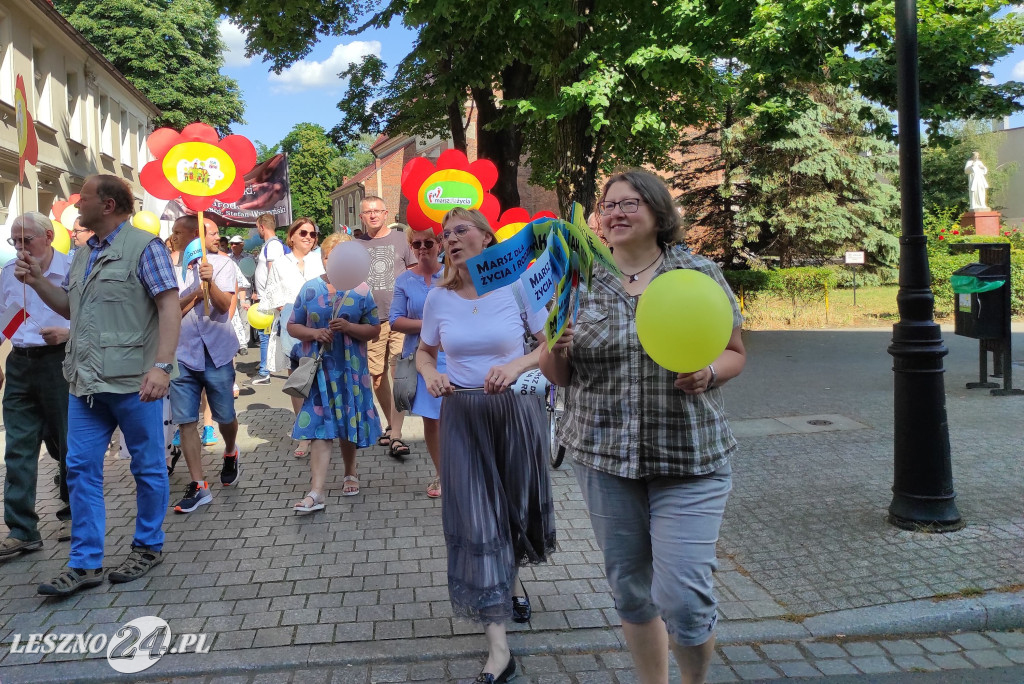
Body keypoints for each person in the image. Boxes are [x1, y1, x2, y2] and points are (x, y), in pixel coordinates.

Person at [539, 170, 746, 684]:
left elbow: (735, 352)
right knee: (631, 588)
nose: (615, 213)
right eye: (607, 206)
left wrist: (709, 372)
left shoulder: (696, 272)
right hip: (605, 458)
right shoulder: (576, 281)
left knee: (684, 598)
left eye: (629, 203)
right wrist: (551, 352)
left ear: (658, 212)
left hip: (689, 458)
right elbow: (560, 377)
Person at [16, 174, 180, 596]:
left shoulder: (145, 248)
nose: (77, 205)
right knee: (79, 469)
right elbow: (72, 307)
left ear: (107, 205)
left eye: (85, 198)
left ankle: (148, 545)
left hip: (134, 382)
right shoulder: (83, 253)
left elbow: (169, 307)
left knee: (146, 467)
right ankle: (85, 563)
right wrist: (36, 280)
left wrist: (162, 366)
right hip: (85, 384)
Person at [416, 208, 555, 683]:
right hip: (463, 416)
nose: (450, 239)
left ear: (485, 236)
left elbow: (549, 344)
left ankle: (510, 579)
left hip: (515, 413)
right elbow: (424, 351)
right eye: (443, 235)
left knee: (512, 510)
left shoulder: (516, 287)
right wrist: (431, 375)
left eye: (460, 230)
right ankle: (500, 650)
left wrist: (516, 366)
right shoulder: (438, 297)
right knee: (477, 520)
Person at [286, 233, 382, 510]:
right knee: (320, 427)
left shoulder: (362, 290)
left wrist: (350, 328)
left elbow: (374, 329)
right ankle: (317, 490)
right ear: (324, 259)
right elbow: (293, 325)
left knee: (348, 420)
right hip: (319, 370)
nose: (335, 263)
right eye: (330, 257)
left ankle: (350, 471)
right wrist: (315, 333)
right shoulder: (310, 288)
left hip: (351, 370)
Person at [0, 212, 73, 559]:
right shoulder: (8, 275)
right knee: (17, 448)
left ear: (48, 236)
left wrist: (68, 333)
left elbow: (89, 315)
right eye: (15, 240)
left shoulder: (71, 268)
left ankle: (73, 514)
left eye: (26, 239)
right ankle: (21, 530)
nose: (19, 246)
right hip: (20, 363)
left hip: (59, 360)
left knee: (67, 443)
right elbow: (1, 318)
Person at [168, 216, 241, 514]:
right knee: (186, 420)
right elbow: (168, 310)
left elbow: (226, 307)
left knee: (225, 416)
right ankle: (199, 484)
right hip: (182, 354)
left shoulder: (222, 264)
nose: (173, 237)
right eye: (173, 232)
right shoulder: (168, 269)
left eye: (177, 232)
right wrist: (196, 292)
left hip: (217, 353)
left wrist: (209, 284)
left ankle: (230, 451)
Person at [262, 217, 326, 457]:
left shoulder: (320, 260)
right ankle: (303, 432)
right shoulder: (280, 263)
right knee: (299, 380)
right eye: (303, 233)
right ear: (291, 236)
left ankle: (323, 426)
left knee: (321, 377)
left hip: (319, 324)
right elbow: (274, 295)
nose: (308, 237)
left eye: (312, 234)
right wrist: (290, 316)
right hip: (292, 323)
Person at [356, 196, 414, 455]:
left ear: (385, 212)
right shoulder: (357, 245)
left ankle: (398, 434)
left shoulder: (402, 240)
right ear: (361, 217)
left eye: (377, 211)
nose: (373, 216)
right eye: (367, 212)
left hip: (399, 318)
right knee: (376, 377)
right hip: (371, 320)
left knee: (399, 373)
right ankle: (391, 425)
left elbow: (414, 273)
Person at [390, 227, 444, 496]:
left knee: (453, 417)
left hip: (453, 356)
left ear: (439, 244)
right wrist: (429, 326)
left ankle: (462, 469)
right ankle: (441, 474)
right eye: (417, 243)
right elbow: (395, 319)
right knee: (431, 420)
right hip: (420, 357)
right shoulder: (404, 280)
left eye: (428, 242)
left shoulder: (453, 274)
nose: (422, 248)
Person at [251, 213, 285, 385]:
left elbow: (273, 273)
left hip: (269, 300)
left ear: (262, 227)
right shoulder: (270, 245)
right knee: (265, 334)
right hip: (265, 297)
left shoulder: (273, 246)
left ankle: (265, 372)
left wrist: (271, 297)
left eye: (257, 227)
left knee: (265, 335)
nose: (258, 230)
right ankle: (265, 367)